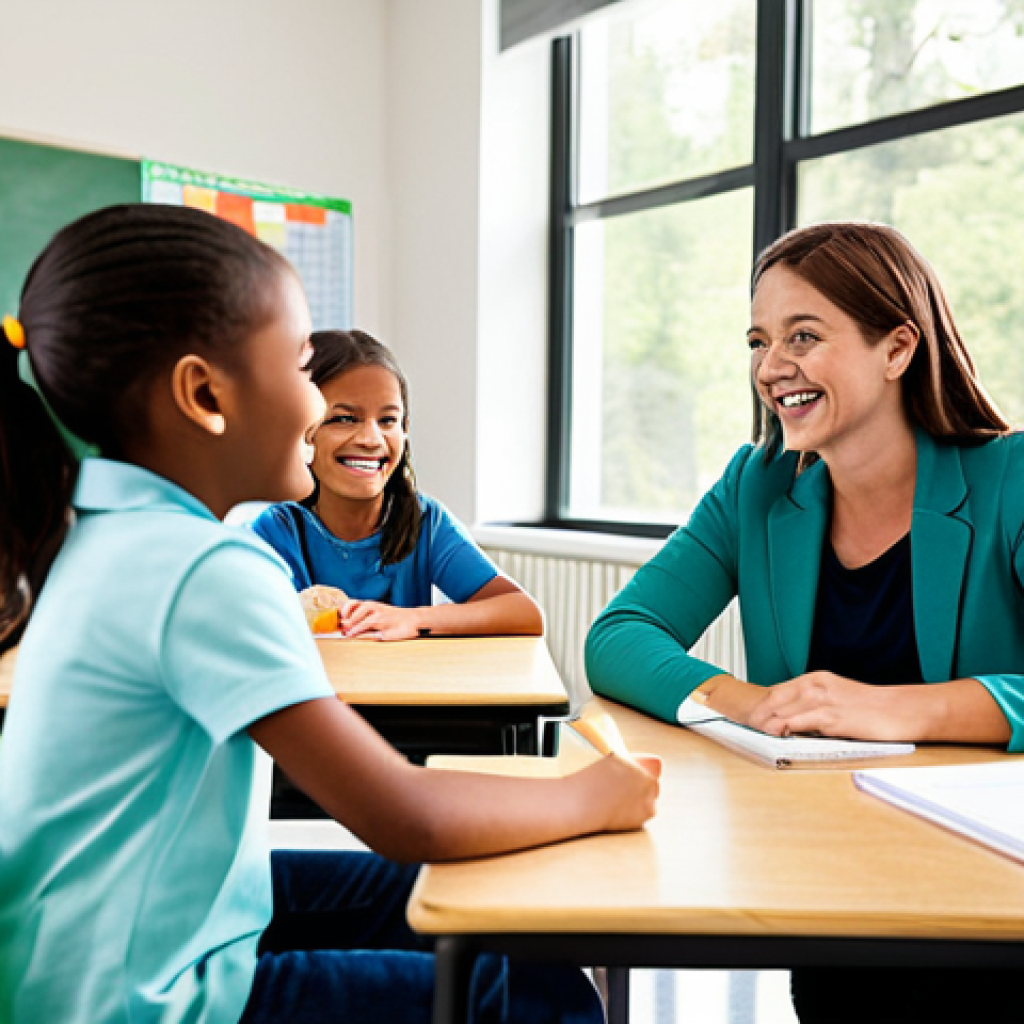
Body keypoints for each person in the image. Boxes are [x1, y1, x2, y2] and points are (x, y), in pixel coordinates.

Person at [0, 203, 660, 1024]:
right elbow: (401, 815)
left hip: (89, 945)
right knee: (539, 992)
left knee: (492, 911)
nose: (319, 410)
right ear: (204, 393)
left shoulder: (98, 531)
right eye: (301, 369)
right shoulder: (203, 566)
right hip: (133, 999)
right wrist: (595, 796)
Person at [585, 221, 1024, 1023]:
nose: (770, 366)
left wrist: (897, 708)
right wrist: (749, 702)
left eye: (803, 337)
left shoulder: (1011, 479)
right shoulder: (756, 485)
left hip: (993, 892)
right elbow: (618, 636)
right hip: (828, 882)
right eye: (759, 341)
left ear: (898, 349)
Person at [250, 329, 542, 641]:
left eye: (387, 420)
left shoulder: (425, 521)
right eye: (345, 419)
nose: (371, 439)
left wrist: (414, 619)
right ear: (302, 429)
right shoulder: (275, 530)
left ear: (405, 430)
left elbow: (525, 613)